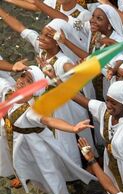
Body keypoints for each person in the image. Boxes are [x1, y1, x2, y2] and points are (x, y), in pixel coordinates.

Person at [0, 12, 95, 162]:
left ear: (59, 41)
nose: (41, 38)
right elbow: (21, 28)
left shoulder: (63, 61)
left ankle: (79, 164)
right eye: (42, 34)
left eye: (47, 36)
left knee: (66, 139)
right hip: (44, 102)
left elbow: (75, 70)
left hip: (63, 108)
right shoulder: (42, 49)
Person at [8, 67, 95, 194]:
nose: (22, 81)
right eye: (22, 77)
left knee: (50, 175)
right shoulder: (12, 97)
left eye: (29, 81)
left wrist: (73, 128)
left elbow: (49, 121)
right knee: (36, 175)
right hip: (23, 145)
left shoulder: (31, 110)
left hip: (39, 148)